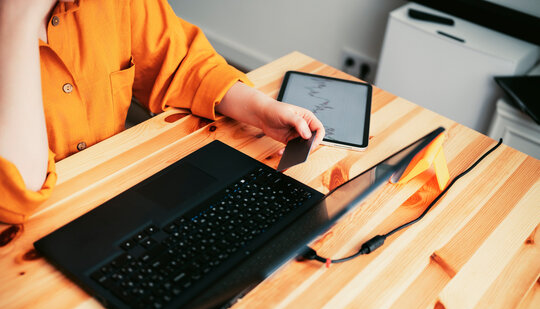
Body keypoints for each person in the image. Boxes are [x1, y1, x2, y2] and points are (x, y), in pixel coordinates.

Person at [0, 0, 325, 229]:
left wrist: (261, 109)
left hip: (112, 211)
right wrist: (17, 18)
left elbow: (179, 60)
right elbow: (12, 193)